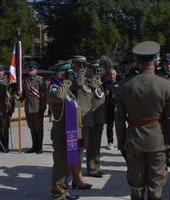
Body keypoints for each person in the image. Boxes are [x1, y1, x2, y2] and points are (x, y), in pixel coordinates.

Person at [115, 41, 170, 200]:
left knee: (136, 187)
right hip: (158, 142)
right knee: (155, 187)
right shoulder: (166, 85)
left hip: (133, 141)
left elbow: (119, 121)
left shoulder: (125, 86)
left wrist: (122, 143)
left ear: (137, 62)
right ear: (155, 61)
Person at [48, 61, 80, 200]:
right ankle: (57, 193)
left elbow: (78, 86)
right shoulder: (54, 87)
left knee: (68, 163)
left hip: (69, 131)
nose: (68, 75)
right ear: (60, 73)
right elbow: (58, 98)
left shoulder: (63, 86)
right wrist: (66, 81)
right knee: (60, 164)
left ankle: (64, 191)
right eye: (65, 72)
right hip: (61, 133)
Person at [69, 55, 93, 190]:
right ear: (76, 66)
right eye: (82, 66)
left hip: (83, 118)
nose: (85, 68)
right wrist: (81, 71)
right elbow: (77, 85)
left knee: (80, 149)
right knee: (74, 149)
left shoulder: (83, 78)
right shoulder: (72, 75)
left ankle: (77, 178)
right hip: (74, 119)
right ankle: (76, 178)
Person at [19, 61, 47, 154]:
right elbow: (23, 95)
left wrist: (43, 107)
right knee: (32, 127)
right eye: (29, 69)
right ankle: (34, 146)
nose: (30, 71)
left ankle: (40, 147)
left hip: (37, 106)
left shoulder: (40, 80)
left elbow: (43, 95)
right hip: (28, 106)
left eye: (32, 69)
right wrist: (18, 98)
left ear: (36, 70)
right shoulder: (25, 81)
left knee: (39, 127)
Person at [86, 60, 107, 178]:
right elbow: (93, 86)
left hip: (99, 118)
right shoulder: (89, 83)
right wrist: (95, 78)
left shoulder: (97, 83)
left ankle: (97, 166)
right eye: (94, 71)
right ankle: (92, 168)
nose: (97, 73)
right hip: (92, 118)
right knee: (92, 145)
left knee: (97, 144)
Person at [103, 68, 119, 150]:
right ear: (108, 75)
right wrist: (104, 94)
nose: (112, 76)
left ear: (116, 75)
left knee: (119, 126)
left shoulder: (119, 84)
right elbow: (100, 94)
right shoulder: (105, 84)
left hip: (118, 108)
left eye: (113, 74)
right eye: (110, 74)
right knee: (109, 126)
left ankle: (121, 142)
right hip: (109, 108)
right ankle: (110, 142)